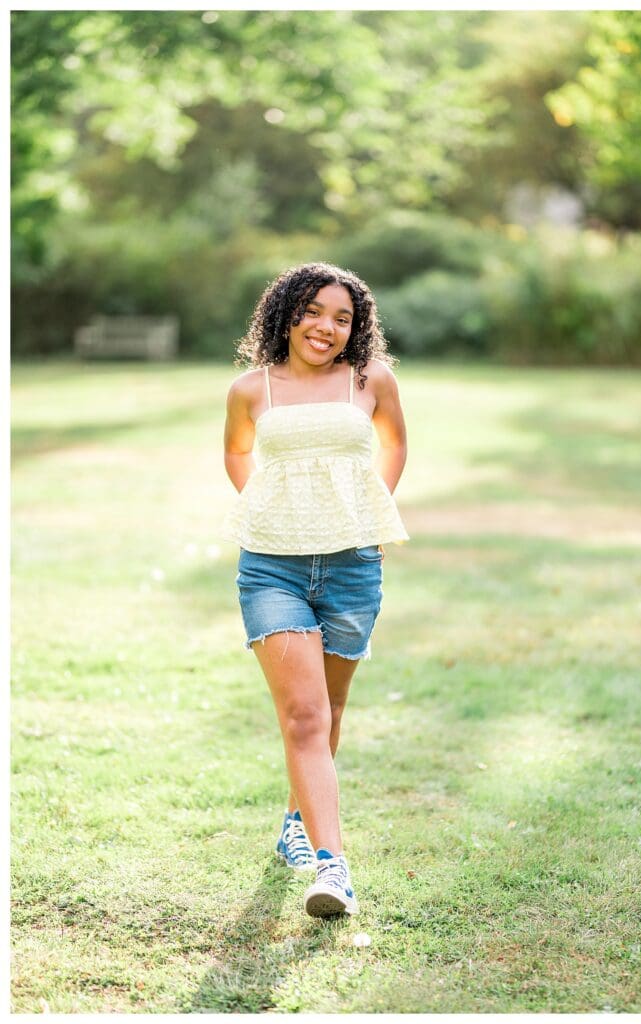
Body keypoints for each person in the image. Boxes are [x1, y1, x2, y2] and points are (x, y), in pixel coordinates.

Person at [223, 262, 409, 918]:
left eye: (342, 317)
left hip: (353, 564)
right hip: (271, 564)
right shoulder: (252, 390)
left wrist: (368, 507)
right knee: (304, 715)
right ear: (284, 313)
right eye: (313, 311)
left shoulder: (369, 381)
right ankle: (333, 868)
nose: (326, 327)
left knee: (328, 709)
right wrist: (270, 505)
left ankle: (296, 824)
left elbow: (392, 445)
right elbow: (238, 453)